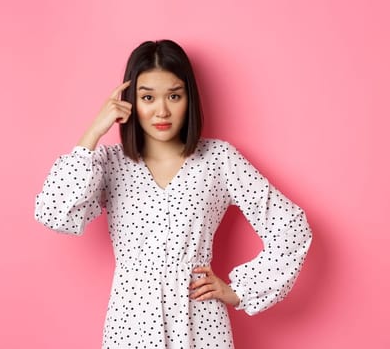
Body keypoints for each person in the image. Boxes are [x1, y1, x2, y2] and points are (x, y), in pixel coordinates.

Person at [33, 40, 312, 348]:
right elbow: (53, 212)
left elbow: (291, 227)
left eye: (174, 96)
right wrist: (93, 132)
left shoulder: (218, 159)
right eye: (148, 97)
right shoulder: (108, 163)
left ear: (188, 99)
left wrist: (239, 291)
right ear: (130, 101)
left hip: (200, 323)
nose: (161, 110)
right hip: (130, 324)